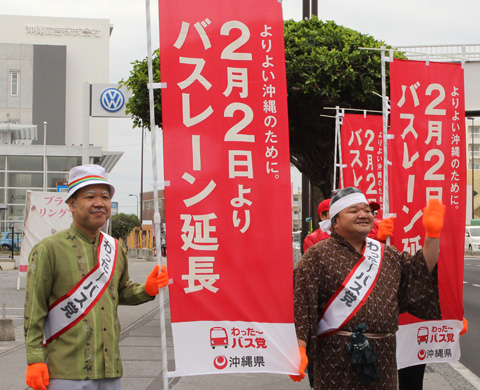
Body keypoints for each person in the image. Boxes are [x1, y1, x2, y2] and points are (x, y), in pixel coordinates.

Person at [24, 164, 169, 390]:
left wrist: (147, 290)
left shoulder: (114, 248)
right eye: (89, 196)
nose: (99, 203)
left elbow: (120, 292)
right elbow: (35, 309)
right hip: (66, 372)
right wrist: (34, 359)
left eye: (105, 196)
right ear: (72, 204)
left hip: (110, 368)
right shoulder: (48, 249)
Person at [290, 187, 444, 389]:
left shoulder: (387, 254)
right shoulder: (317, 255)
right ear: (335, 221)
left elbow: (420, 272)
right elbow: (302, 303)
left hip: (383, 355)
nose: (363, 215)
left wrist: (432, 236)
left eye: (367, 211)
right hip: (335, 358)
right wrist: (299, 347)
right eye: (353, 210)